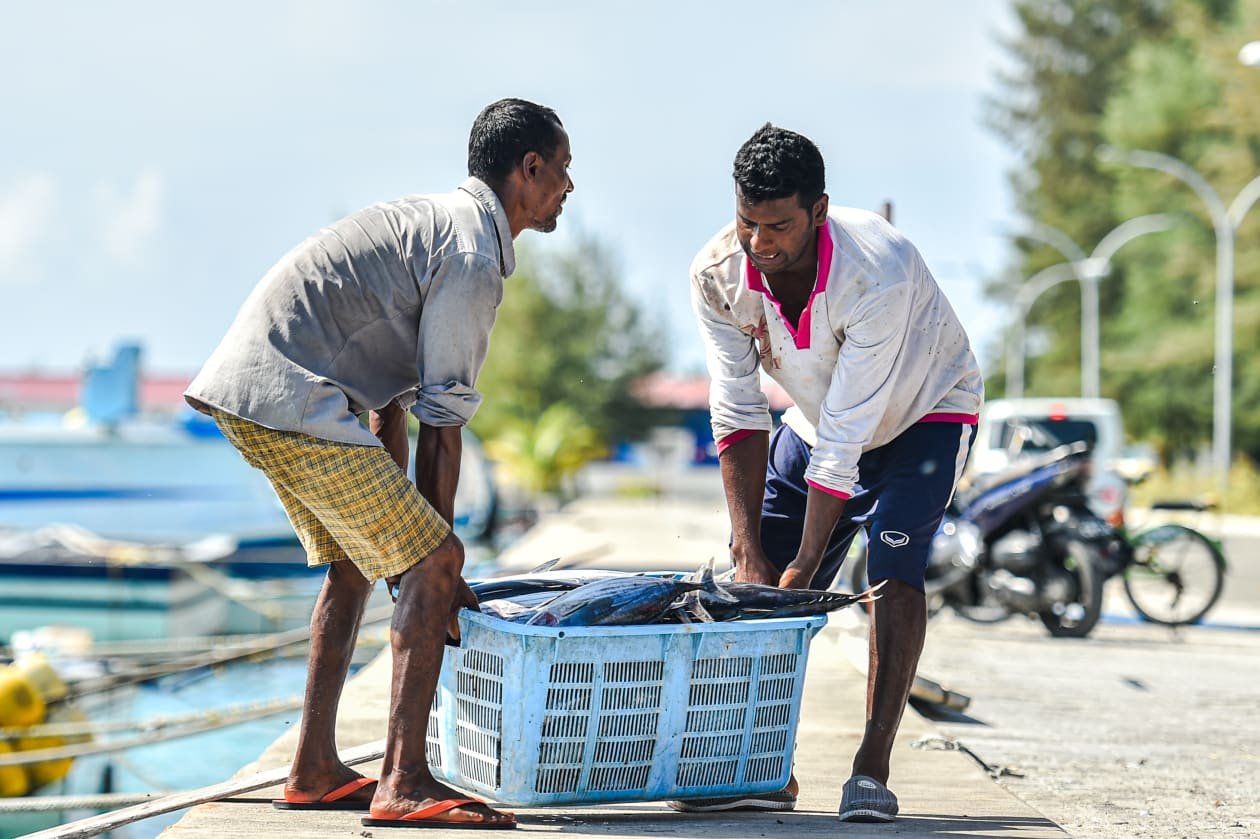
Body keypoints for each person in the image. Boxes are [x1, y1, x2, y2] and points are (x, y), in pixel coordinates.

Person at [184, 98, 573, 830]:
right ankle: (405, 780)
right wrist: (433, 563)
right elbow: (442, 425)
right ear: (529, 168)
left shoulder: (433, 222)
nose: (568, 187)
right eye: (562, 168)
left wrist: (402, 550)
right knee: (434, 558)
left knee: (359, 561)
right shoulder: (471, 254)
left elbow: (388, 409)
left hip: (260, 388)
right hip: (292, 393)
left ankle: (312, 768)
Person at [680, 124, 983, 823]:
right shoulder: (715, 274)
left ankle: (871, 766)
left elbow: (849, 439)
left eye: (779, 226)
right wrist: (750, 548)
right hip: (819, 419)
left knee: (892, 567)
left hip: (925, 410)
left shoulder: (878, 270)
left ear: (818, 210)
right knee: (755, 580)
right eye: (747, 222)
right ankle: (755, 764)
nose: (760, 242)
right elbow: (738, 408)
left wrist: (809, 561)